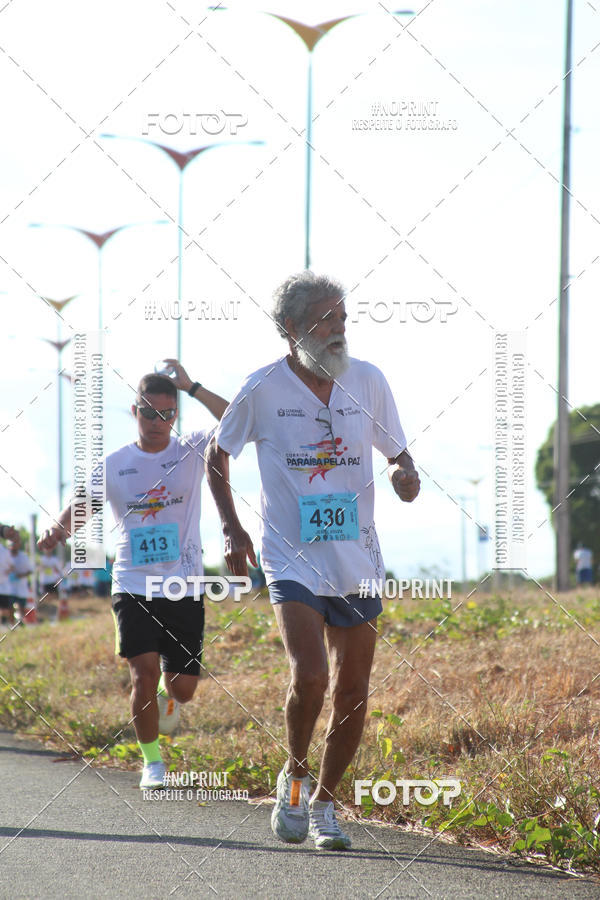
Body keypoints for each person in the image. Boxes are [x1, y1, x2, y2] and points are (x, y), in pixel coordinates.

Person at [206, 272, 420, 851]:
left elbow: (399, 452)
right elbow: (216, 454)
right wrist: (232, 528)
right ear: (290, 328)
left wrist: (406, 475)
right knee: (311, 676)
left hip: (357, 557)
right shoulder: (262, 389)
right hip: (290, 555)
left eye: (343, 319)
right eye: (326, 320)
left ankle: (326, 804)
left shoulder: (367, 381)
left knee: (353, 690)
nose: (339, 330)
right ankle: (294, 777)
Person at [38, 360, 228, 789]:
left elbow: (237, 418)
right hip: (132, 581)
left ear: (175, 415)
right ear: (134, 411)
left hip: (183, 582)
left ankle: (169, 698)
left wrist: (192, 384)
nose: (158, 422)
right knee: (141, 674)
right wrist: (57, 531)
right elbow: (82, 506)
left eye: (167, 414)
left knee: (182, 690)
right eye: (149, 412)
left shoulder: (193, 448)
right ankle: (152, 763)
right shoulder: (115, 463)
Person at [8, 534, 33, 623]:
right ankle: (12, 624)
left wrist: (21, 575)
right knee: (10, 606)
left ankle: (20, 622)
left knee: (21, 606)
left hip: (21, 587)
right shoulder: (6, 556)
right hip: (9, 587)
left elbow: (30, 570)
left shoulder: (24, 557)